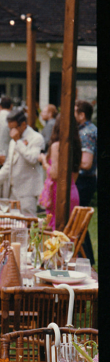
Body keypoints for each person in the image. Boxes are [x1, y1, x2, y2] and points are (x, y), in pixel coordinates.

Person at [0, 110, 45, 215]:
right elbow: (8, 165)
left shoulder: (36, 138)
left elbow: (32, 159)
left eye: (14, 128)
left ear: (23, 125)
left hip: (27, 191)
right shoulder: (13, 141)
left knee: (28, 223)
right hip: (12, 192)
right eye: (10, 128)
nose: (12, 132)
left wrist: (18, 142)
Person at [39, 119, 81, 230]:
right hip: (72, 190)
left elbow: (54, 173)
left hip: (58, 192)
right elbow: (75, 174)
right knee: (68, 232)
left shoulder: (57, 146)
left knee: (58, 233)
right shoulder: (76, 146)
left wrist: (44, 162)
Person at [74, 99, 97, 263]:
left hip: (84, 180)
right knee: (79, 221)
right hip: (84, 180)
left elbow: (86, 162)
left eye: (75, 112)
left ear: (82, 115)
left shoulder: (86, 132)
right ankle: (85, 258)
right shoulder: (86, 129)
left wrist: (70, 163)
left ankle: (86, 259)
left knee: (79, 221)